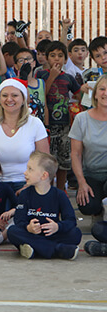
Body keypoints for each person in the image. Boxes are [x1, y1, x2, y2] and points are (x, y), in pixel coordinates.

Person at [0, 78, 49, 192]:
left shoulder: (35, 123)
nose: (9, 99)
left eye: (14, 95)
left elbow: (45, 160)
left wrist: (31, 185)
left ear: (23, 99)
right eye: (4, 95)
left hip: (27, 183)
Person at [7, 151, 82, 260]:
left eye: (30, 169)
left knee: (75, 233)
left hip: (52, 235)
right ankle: (57, 249)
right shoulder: (25, 194)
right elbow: (19, 220)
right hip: (32, 234)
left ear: (44, 175)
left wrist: (57, 227)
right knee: (12, 231)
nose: (25, 173)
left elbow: (71, 220)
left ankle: (36, 249)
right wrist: (28, 227)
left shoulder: (59, 195)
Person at [36, 41, 81, 190]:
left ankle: (61, 190)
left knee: (64, 160)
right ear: (47, 58)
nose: (56, 59)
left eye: (60, 56)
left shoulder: (68, 78)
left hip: (65, 124)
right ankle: (48, 189)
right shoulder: (41, 74)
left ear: (66, 59)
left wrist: (86, 89)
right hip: (47, 125)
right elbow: (41, 95)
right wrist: (52, 77)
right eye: (53, 55)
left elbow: (79, 94)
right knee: (48, 159)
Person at [69, 75, 107, 218]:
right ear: (95, 94)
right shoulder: (81, 118)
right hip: (91, 174)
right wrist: (81, 182)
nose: (106, 93)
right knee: (87, 205)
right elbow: (76, 154)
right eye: (102, 89)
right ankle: (97, 211)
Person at [14, 48, 48, 124]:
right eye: (21, 60)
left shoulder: (41, 82)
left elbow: (45, 106)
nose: (26, 62)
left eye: (28, 59)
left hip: (39, 125)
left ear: (34, 63)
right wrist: (23, 78)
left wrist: (46, 125)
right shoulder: (14, 83)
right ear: (16, 66)